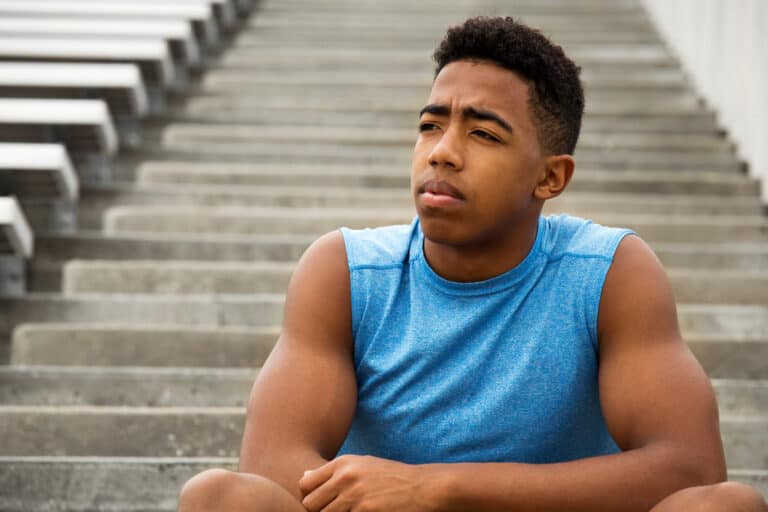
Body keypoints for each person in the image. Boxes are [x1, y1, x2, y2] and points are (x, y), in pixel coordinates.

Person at [178, 17, 767, 511]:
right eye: (431, 125)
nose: (442, 152)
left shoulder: (608, 271)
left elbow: (689, 468)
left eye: (483, 134)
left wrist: (440, 487)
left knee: (728, 506)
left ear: (550, 177)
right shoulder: (346, 270)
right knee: (219, 496)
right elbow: (273, 465)